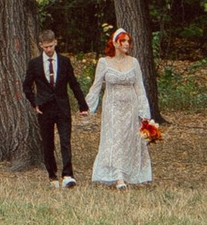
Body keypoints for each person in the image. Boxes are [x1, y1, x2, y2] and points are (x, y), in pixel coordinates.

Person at [86, 24, 159, 188]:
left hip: (130, 106)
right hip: (112, 106)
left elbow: (140, 88)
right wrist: (88, 107)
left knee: (129, 139)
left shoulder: (134, 62)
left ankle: (128, 172)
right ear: (115, 43)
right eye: (123, 41)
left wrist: (144, 113)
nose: (126, 44)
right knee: (114, 138)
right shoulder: (104, 62)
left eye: (128, 41)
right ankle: (118, 175)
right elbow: (96, 86)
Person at [21, 21, 79, 184]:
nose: (49, 50)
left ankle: (68, 174)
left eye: (51, 46)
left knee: (65, 140)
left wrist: (82, 105)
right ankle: (52, 174)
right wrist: (35, 103)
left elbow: (73, 83)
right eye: (45, 47)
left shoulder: (65, 61)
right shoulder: (34, 64)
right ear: (41, 46)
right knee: (47, 142)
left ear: (55, 43)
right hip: (44, 108)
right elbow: (27, 86)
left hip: (62, 106)